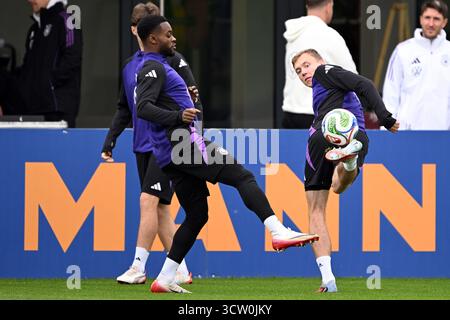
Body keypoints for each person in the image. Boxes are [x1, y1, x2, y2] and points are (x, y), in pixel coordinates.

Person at [135, 15, 320, 294]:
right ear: (152, 39)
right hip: (183, 145)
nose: (174, 38)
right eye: (168, 34)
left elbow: (157, 102)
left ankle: (165, 277)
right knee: (242, 176)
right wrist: (178, 114)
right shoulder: (152, 66)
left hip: (171, 154)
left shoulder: (159, 67)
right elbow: (143, 108)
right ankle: (277, 231)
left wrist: (188, 97)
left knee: (197, 215)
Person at [101, 2, 200, 285]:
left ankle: (138, 267)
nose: (165, 35)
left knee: (148, 199)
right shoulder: (130, 66)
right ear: (138, 30)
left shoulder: (173, 60)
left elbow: (194, 99)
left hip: (166, 142)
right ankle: (179, 269)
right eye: (149, 24)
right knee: (160, 208)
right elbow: (125, 107)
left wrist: (195, 137)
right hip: (141, 143)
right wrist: (111, 139)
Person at [292, 49, 399, 292]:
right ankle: (348, 161)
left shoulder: (325, 71)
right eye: (298, 71)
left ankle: (327, 277)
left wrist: (384, 116)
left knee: (316, 209)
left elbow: (364, 83)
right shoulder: (321, 90)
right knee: (339, 187)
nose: (304, 72)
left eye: (306, 65)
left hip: (326, 134)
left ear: (320, 62)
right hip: (352, 136)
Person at [282, 0, 357, 129]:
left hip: (291, 113)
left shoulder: (293, 35)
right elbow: (352, 79)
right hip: (318, 116)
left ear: (307, 6)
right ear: (329, 6)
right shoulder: (330, 36)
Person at [383, 0, 450, 130]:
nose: (431, 23)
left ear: (444, 22)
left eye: (436, 19)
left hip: (444, 134)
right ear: (420, 19)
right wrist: (387, 128)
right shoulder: (402, 51)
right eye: (427, 18)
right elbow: (390, 93)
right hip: (408, 133)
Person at [14, 0, 82, 128]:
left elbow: (73, 58)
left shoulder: (70, 18)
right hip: (32, 111)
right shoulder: (34, 29)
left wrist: (48, 84)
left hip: (57, 110)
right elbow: (26, 71)